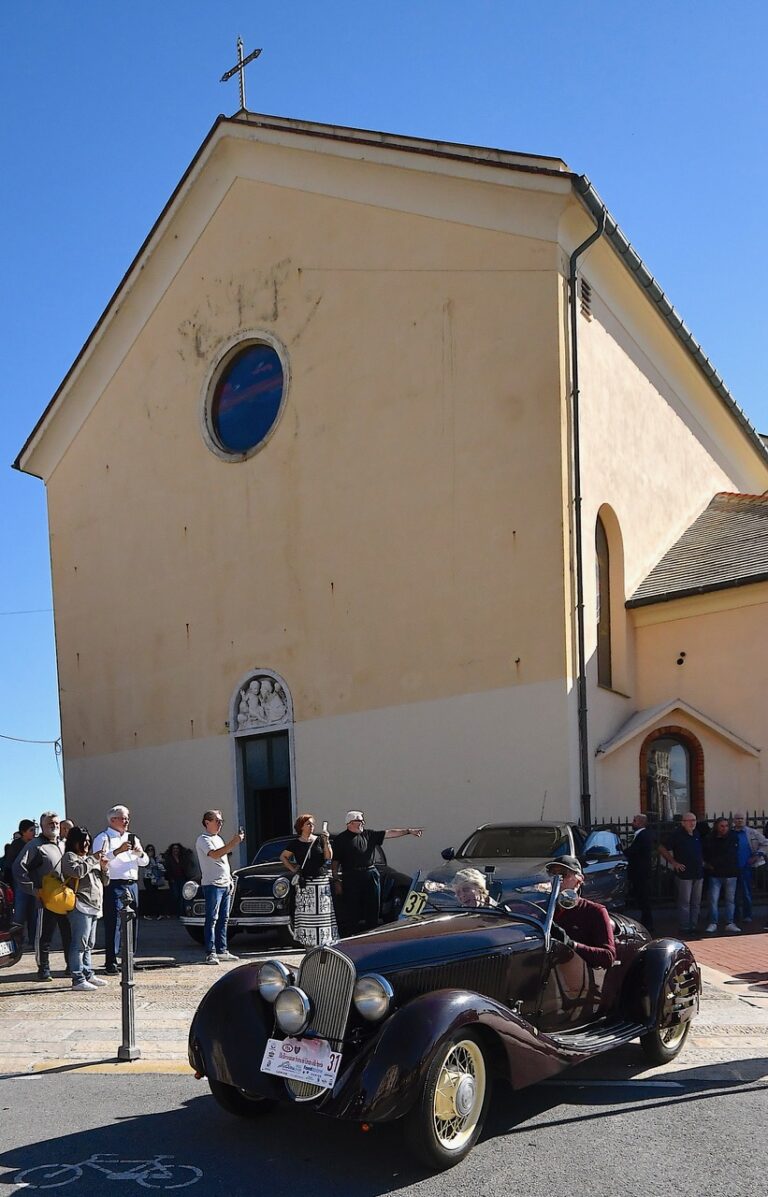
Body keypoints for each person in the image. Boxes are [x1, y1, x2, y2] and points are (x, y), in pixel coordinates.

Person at [332, 812, 423, 935]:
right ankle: (350, 937)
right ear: (350, 823)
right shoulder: (341, 839)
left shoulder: (369, 834)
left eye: (363, 821)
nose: (362, 823)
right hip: (351, 876)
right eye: (359, 821)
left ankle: (371, 934)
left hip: (370, 874)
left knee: (373, 908)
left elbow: (390, 833)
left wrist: (408, 831)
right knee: (352, 910)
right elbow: (335, 862)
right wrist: (336, 880)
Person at [92, 805, 149, 974]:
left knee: (133, 921)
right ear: (112, 820)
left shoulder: (133, 838)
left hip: (132, 884)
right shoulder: (103, 838)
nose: (126, 821)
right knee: (114, 922)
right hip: (114, 884)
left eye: (127, 818)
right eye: (123, 818)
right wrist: (117, 851)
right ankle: (111, 960)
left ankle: (129, 958)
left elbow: (145, 862)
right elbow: (98, 860)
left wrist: (139, 853)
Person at [16, 811, 72, 981]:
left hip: (64, 899)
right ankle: (44, 968)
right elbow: (19, 868)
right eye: (50, 823)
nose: (54, 825)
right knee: (44, 936)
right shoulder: (34, 845)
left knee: (68, 934)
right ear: (42, 826)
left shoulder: (63, 845)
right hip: (45, 899)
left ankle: (71, 966)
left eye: (56, 823)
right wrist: (34, 890)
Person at [62, 826, 110, 992]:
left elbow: (105, 882)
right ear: (75, 842)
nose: (87, 845)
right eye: (84, 841)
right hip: (80, 905)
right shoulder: (70, 857)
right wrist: (92, 860)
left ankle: (88, 973)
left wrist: (104, 868)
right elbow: (77, 872)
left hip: (94, 906)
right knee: (79, 944)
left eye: (89, 841)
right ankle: (77, 978)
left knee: (89, 944)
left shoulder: (90, 859)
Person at [546, 856, 616, 969]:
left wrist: (571, 945)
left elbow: (608, 957)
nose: (557, 880)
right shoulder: (545, 909)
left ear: (579, 880)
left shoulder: (595, 911)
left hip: (579, 978)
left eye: (563, 875)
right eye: (553, 874)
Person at [280, 814, 337, 947]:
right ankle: (308, 943)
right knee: (307, 914)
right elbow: (283, 857)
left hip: (321, 882)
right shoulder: (295, 843)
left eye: (312, 824)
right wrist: (293, 869)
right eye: (308, 824)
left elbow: (328, 857)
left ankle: (325, 942)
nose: (312, 826)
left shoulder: (319, 840)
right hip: (306, 883)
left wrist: (326, 841)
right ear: (301, 827)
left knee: (323, 913)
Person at [195, 810, 243, 965]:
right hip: (212, 884)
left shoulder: (219, 839)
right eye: (217, 821)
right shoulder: (203, 839)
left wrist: (229, 880)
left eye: (221, 821)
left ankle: (222, 950)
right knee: (212, 918)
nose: (220, 823)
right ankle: (211, 952)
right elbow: (215, 855)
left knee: (224, 919)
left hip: (224, 883)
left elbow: (224, 861)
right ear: (207, 822)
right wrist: (233, 843)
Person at [658, 812, 704, 936]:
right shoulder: (676, 835)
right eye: (689, 821)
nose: (692, 823)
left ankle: (693, 925)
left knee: (696, 902)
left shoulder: (697, 833)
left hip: (698, 872)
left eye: (694, 820)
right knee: (685, 901)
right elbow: (661, 847)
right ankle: (684, 927)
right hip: (684, 874)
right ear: (683, 822)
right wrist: (674, 862)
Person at [703, 817, 741, 934]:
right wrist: (709, 865)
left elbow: (731, 854)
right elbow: (706, 853)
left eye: (726, 826)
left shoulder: (733, 837)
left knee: (730, 900)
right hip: (715, 873)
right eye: (722, 826)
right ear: (716, 827)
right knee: (713, 899)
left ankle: (729, 922)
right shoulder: (710, 839)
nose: (724, 828)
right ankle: (713, 922)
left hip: (731, 873)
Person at [732, 811, 768, 924]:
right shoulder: (730, 833)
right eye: (737, 818)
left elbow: (766, 843)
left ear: (745, 820)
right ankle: (735, 916)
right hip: (732, 868)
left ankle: (747, 915)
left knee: (746, 892)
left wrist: (758, 855)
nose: (739, 820)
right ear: (734, 821)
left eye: (741, 818)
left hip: (747, 867)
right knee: (733, 894)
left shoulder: (752, 833)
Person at [6, 819, 38, 945]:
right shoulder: (16, 845)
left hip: (34, 882)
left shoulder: (36, 843)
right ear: (23, 832)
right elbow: (10, 865)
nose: (34, 832)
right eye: (31, 830)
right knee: (19, 912)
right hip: (20, 883)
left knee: (34, 913)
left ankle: (34, 940)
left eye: (34, 829)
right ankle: (16, 940)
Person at [625, 813, 655, 933]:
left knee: (644, 899)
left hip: (641, 873)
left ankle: (648, 924)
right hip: (639, 872)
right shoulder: (640, 835)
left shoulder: (643, 835)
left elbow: (634, 851)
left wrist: (623, 852)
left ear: (641, 822)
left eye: (635, 821)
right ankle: (646, 922)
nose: (633, 823)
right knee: (641, 898)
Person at [163, 842, 196, 916]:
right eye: (174, 848)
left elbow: (186, 867)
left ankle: (181, 912)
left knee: (183, 895)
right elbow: (167, 869)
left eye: (177, 848)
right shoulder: (169, 859)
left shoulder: (182, 858)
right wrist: (170, 878)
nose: (175, 850)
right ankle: (174, 911)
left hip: (182, 878)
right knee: (175, 895)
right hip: (173, 879)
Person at [139, 844, 167, 919]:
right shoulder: (145, 859)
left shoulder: (156, 859)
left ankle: (158, 914)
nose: (150, 851)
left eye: (152, 850)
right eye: (149, 850)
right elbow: (146, 866)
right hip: (148, 879)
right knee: (150, 896)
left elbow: (160, 867)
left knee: (156, 897)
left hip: (155, 879)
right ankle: (147, 913)